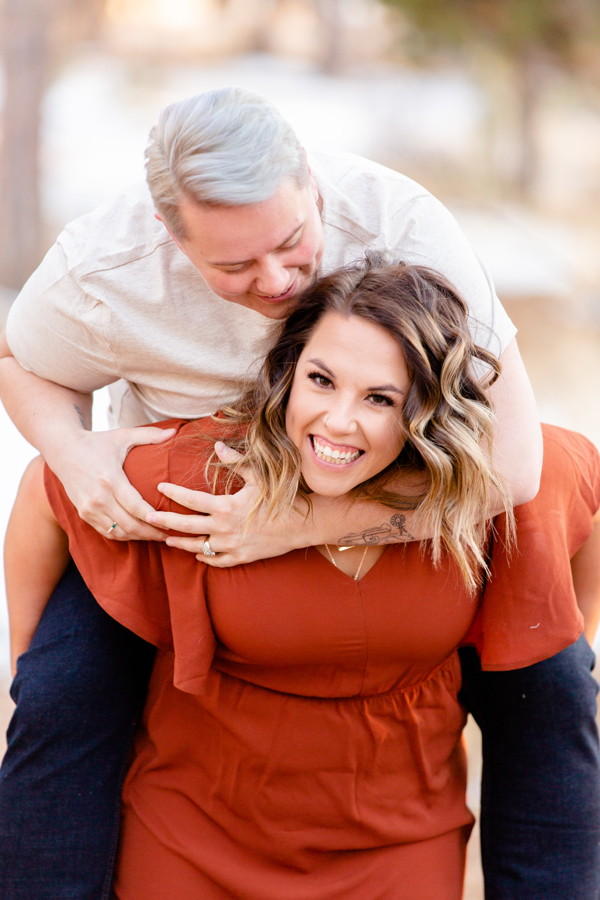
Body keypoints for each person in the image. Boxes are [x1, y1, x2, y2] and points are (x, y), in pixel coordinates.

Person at [0, 89, 593, 899]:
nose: (275, 279)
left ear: (311, 184)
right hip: (188, 513)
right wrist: (72, 451)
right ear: (169, 234)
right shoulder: (105, 266)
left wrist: (306, 521)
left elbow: (520, 465)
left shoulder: (402, 223)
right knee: (59, 698)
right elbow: (20, 363)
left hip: (407, 487)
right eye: (235, 266)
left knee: (556, 690)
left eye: (291, 243)